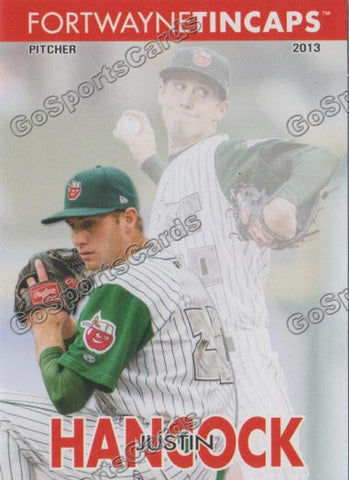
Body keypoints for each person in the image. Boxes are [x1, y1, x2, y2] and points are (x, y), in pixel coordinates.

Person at [115, 46, 340, 479]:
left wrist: (283, 202)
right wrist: (145, 157)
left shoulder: (226, 156)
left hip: (238, 365)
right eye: (179, 86)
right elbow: (187, 193)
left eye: (203, 92)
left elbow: (319, 157)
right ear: (161, 92)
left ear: (221, 109)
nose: (187, 98)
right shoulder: (183, 172)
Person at [0, 165, 236, 480]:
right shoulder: (173, 271)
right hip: (205, 456)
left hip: (160, 456)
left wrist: (44, 329)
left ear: (126, 219)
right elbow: (108, 362)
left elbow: (67, 396)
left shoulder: (125, 285)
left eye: (90, 224)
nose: (78, 238)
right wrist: (65, 325)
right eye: (73, 226)